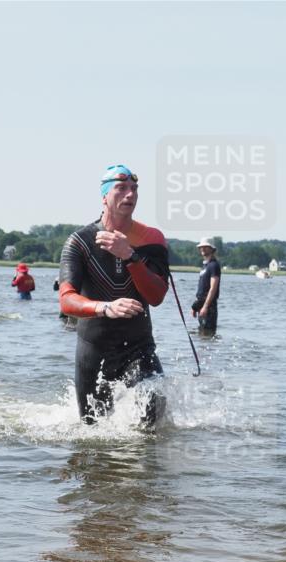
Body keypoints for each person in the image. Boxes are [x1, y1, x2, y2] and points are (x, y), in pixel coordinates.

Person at [58, 164, 169, 425]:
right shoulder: (80, 241)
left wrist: (130, 256)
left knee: (153, 411)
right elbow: (66, 300)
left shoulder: (152, 239)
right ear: (104, 196)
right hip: (93, 349)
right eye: (121, 188)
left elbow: (156, 296)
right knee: (92, 429)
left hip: (139, 348)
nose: (130, 194)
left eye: (134, 189)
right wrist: (105, 308)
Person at [191, 238, 221, 334]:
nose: (202, 249)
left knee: (208, 332)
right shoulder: (205, 266)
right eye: (201, 247)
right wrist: (195, 307)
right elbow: (202, 288)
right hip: (201, 304)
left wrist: (205, 306)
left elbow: (213, 288)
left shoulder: (214, 265)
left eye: (205, 247)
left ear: (211, 249)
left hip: (209, 306)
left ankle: (210, 349)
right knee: (202, 333)